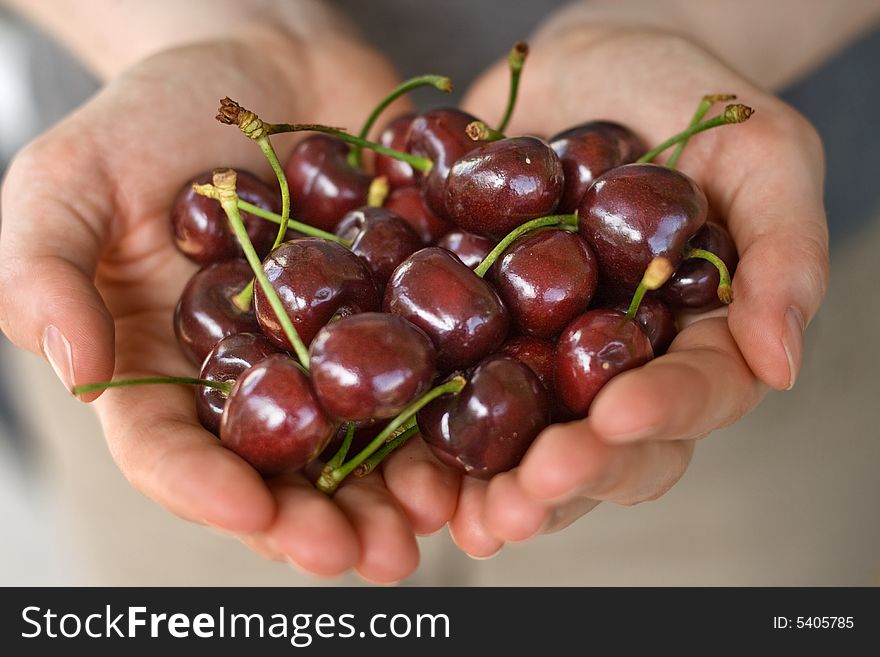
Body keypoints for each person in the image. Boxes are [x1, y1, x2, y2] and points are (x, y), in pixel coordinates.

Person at [0, 0, 876, 584]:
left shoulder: (517, 263)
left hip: (779, 332)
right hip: (140, 249)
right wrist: (199, 26)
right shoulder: (338, 287)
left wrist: (695, 21)